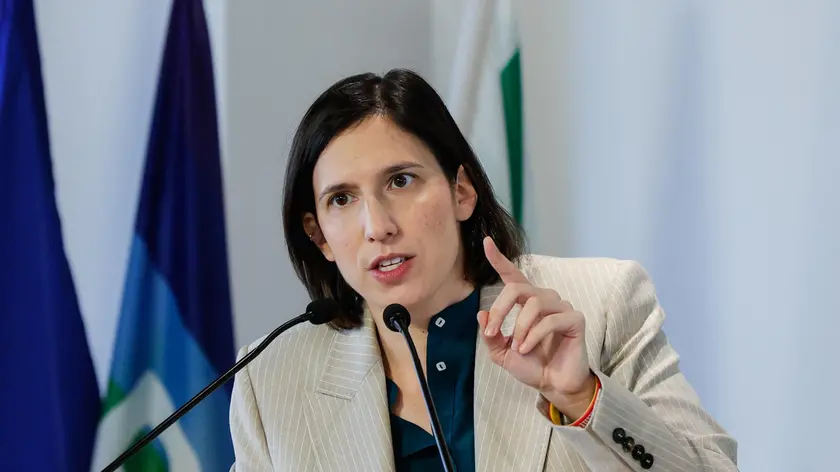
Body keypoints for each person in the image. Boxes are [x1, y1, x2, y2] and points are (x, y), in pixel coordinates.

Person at [228, 69, 737, 472]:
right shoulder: (271, 380)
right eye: (342, 199)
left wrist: (581, 396)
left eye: (401, 181)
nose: (377, 226)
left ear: (462, 192)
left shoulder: (601, 303)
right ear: (319, 236)